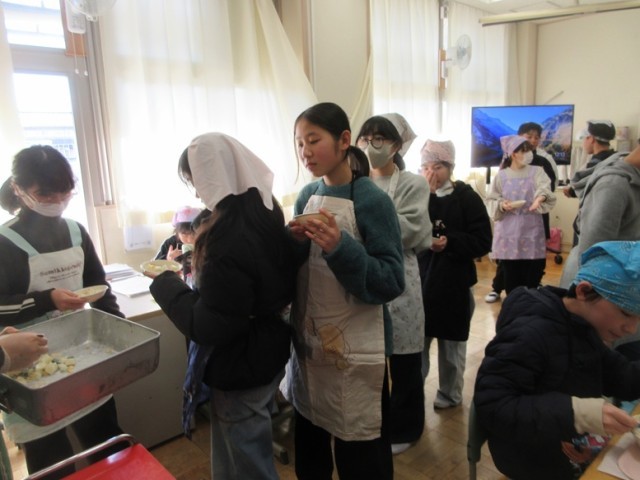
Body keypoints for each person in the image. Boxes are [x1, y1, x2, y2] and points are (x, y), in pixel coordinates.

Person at [147, 133, 295, 480]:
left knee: (247, 460)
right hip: (267, 346)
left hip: (240, 360)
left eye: (197, 179)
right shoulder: (265, 211)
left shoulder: (227, 237)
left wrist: (164, 282)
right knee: (235, 448)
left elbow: (210, 324)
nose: (197, 192)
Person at [283, 102, 404, 480]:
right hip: (312, 347)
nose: (305, 152)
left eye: (313, 140)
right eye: (299, 143)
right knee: (311, 450)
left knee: (362, 456)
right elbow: (300, 270)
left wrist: (341, 247)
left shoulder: (372, 201)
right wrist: (292, 243)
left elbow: (391, 281)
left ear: (344, 140)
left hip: (357, 352)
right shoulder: (307, 196)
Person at [0, 145, 123, 478]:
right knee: (53, 462)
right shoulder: (5, 242)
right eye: (45, 194)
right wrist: (47, 300)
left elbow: (98, 286)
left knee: (106, 442)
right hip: (28, 368)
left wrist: (122, 333)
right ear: (18, 189)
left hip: (82, 356)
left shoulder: (75, 231)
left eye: (64, 192)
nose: (55, 201)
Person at [474, 240, 640, 479]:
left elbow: (622, 377)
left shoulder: (585, 329)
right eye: (625, 313)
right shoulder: (530, 333)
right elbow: (494, 406)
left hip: (567, 439)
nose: (632, 328)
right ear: (583, 291)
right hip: (529, 454)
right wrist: (579, 413)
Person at [355, 114, 431, 454]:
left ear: (397, 145)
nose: (371, 145)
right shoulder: (357, 182)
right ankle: (378, 426)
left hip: (401, 279)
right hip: (365, 278)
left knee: (404, 362)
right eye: (365, 138)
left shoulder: (413, 183)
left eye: (380, 138)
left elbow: (412, 230)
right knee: (371, 361)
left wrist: (365, 228)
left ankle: (407, 429)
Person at [418, 140, 492, 411]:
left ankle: (450, 394)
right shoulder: (416, 196)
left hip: (455, 283)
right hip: (421, 281)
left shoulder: (466, 197)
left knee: (451, 345)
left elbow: (483, 241)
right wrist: (424, 197)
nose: (431, 173)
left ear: (450, 167)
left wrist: (450, 242)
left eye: (438, 167)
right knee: (418, 345)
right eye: (426, 167)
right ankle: (414, 394)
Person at [485, 122, 558, 304]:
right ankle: (513, 304)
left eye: (529, 150)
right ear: (513, 153)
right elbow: (492, 199)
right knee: (510, 271)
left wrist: (540, 198)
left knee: (532, 270)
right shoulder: (501, 176)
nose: (528, 154)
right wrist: (502, 205)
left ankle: (530, 304)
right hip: (508, 230)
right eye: (523, 150)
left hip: (531, 227)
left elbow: (545, 187)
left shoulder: (537, 171)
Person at [563, 120, 616, 246]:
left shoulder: (596, 164)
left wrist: (571, 191)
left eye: (584, 139)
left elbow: (585, 187)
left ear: (591, 139)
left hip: (592, 222)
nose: (583, 143)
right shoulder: (616, 159)